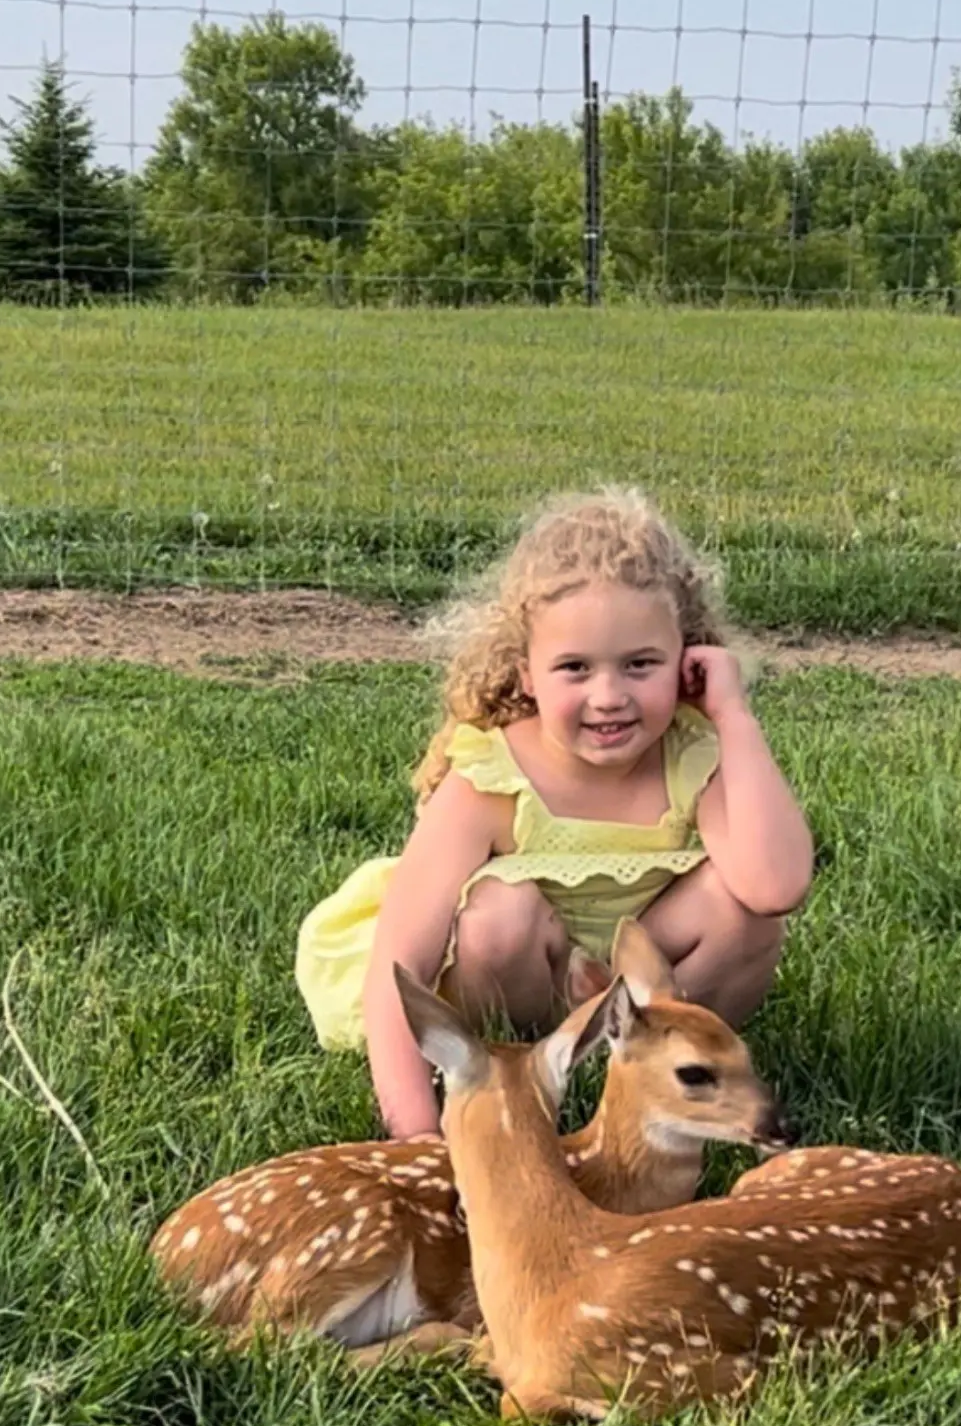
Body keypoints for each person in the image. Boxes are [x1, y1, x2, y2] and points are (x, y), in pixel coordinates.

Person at [296, 486, 814, 1138]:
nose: (609, 696)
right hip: (521, 989)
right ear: (528, 673)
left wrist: (732, 715)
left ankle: (638, 1076)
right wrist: (415, 1136)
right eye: (575, 667)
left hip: (642, 992)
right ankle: (522, 1076)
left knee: (743, 911)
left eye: (640, 665)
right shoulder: (488, 780)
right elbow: (398, 965)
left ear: (685, 658)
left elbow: (778, 887)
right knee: (499, 917)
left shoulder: (691, 755)